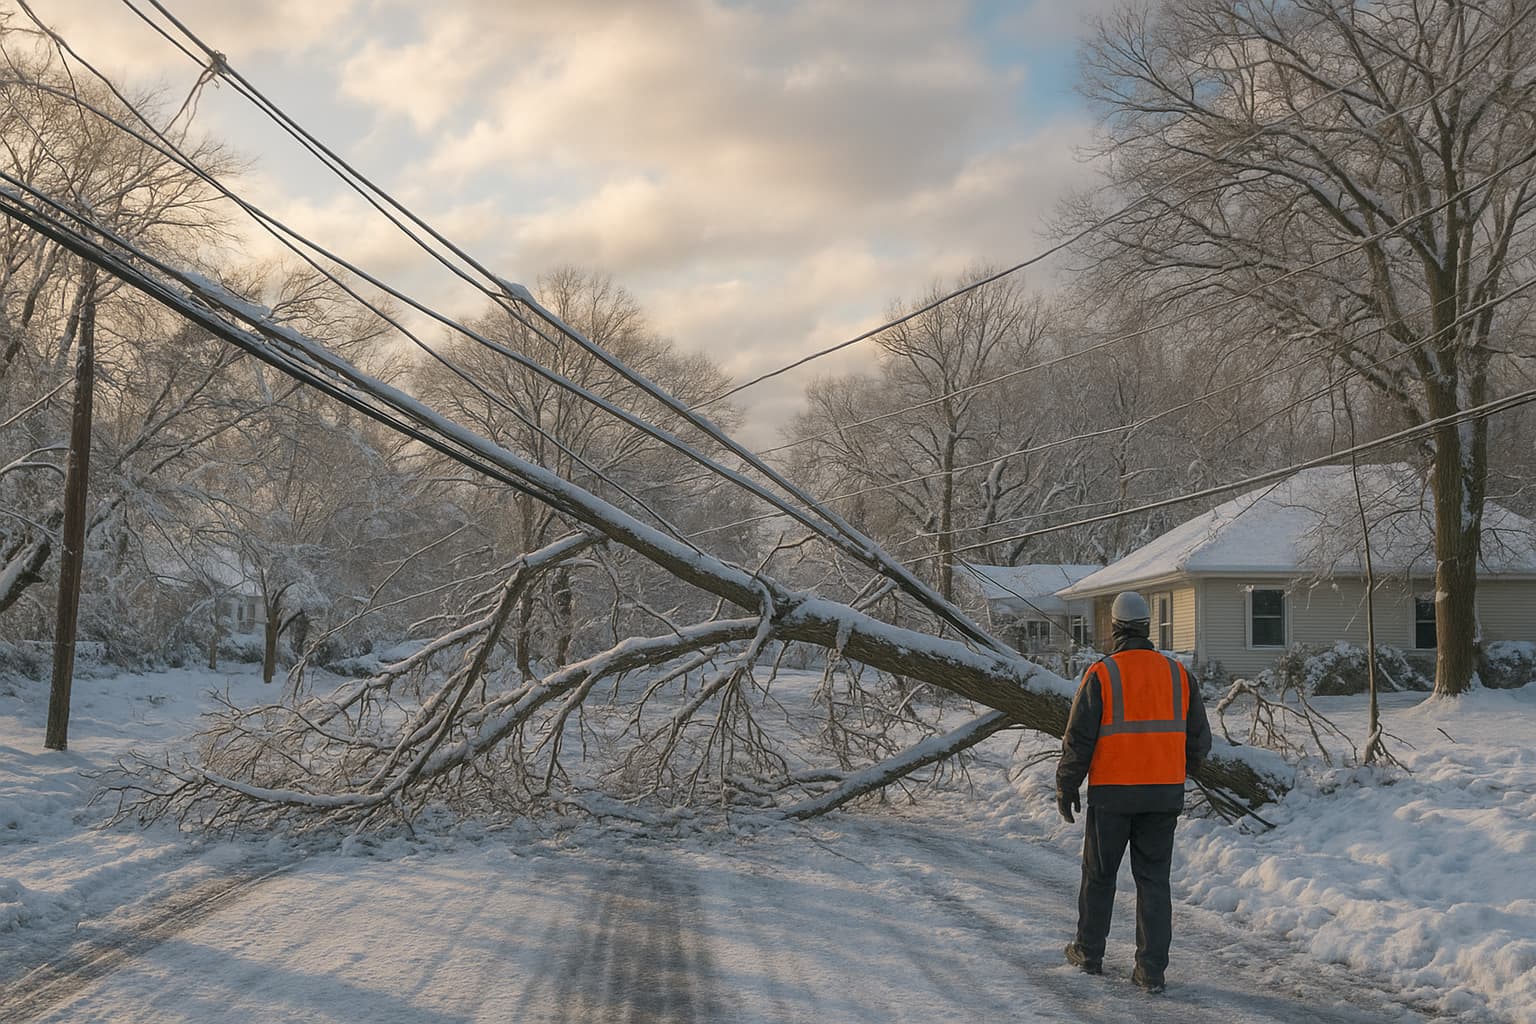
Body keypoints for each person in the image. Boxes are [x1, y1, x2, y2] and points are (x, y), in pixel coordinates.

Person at [1056, 590, 1212, 994]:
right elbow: (1199, 740)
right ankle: (1151, 971)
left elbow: (1080, 738)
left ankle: (1089, 952)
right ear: (1147, 628)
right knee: (1154, 882)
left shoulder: (1102, 674)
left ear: (1115, 628)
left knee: (1099, 876)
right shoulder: (1179, 675)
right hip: (1162, 796)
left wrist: (1067, 782)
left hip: (1112, 795)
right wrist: (1179, 771)